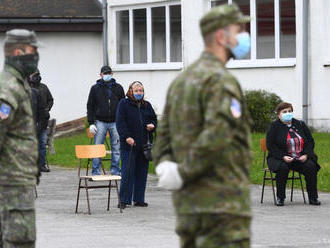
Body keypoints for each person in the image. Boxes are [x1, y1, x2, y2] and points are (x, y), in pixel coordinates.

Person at [153, 4, 253, 248]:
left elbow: (163, 135)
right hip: (222, 208)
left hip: (189, 206)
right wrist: (184, 171)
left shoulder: (182, 81)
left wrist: (167, 167)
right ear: (221, 36)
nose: (244, 36)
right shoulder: (220, 80)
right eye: (238, 30)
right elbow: (219, 135)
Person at [0, 29, 41, 248]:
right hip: (11, 186)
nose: (35, 56)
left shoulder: (18, 84)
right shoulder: (8, 89)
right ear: (18, 52)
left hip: (16, 183)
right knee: (19, 242)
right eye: (32, 51)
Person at [266, 102, 321, 206]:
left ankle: (313, 198)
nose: (288, 113)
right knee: (282, 168)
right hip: (280, 158)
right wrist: (283, 156)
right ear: (278, 114)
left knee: (311, 166)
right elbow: (270, 145)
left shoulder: (300, 124)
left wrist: (306, 155)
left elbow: (310, 141)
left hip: (300, 158)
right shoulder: (274, 126)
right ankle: (280, 198)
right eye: (284, 111)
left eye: (290, 111)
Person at [116, 81, 157, 209]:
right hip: (129, 144)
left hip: (144, 145)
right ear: (131, 91)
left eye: (141, 91)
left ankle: (139, 199)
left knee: (142, 172)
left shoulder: (146, 105)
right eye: (137, 91)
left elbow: (154, 119)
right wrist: (127, 136)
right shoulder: (124, 104)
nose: (139, 93)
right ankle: (124, 200)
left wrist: (153, 126)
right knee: (128, 172)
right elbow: (120, 122)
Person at [87, 65, 125, 176]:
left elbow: (123, 105)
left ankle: (115, 170)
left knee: (116, 147)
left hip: (115, 121)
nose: (107, 75)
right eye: (105, 73)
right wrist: (91, 123)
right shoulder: (95, 88)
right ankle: (96, 171)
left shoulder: (118, 88)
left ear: (112, 74)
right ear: (101, 75)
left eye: (109, 73)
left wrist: (122, 121)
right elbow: (90, 106)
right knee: (97, 146)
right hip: (100, 121)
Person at [29, 70, 53, 172]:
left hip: (42, 120)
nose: (37, 77)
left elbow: (50, 100)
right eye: (34, 75)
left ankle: (42, 165)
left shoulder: (43, 87)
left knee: (42, 143)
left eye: (38, 75)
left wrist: (47, 109)